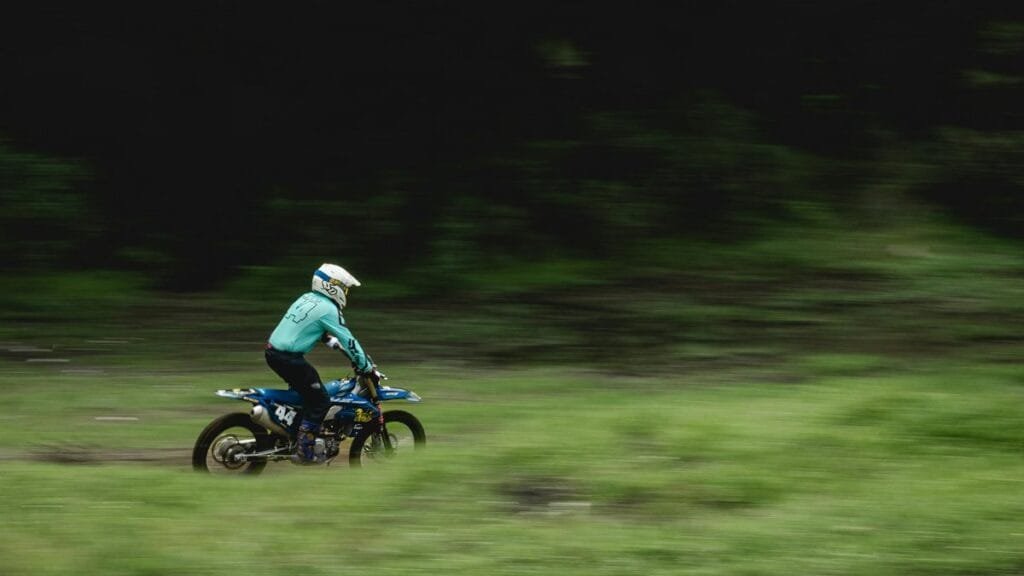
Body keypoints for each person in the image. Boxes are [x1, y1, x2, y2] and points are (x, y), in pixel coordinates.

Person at [265, 263, 377, 464]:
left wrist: (329, 340)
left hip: (273, 352)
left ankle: (291, 431)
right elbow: (349, 340)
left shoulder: (307, 298)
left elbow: (307, 326)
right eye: (344, 288)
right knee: (321, 400)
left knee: (305, 394)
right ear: (332, 286)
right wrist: (365, 365)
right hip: (289, 359)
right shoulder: (329, 309)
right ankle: (305, 449)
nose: (346, 293)